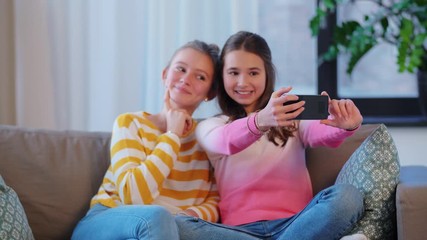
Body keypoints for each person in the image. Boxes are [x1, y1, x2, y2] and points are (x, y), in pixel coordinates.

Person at [175, 31, 367, 240]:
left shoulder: (293, 120)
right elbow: (225, 141)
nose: (243, 82)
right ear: (222, 77)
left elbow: (319, 132)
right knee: (179, 224)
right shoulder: (211, 125)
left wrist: (344, 126)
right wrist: (260, 121)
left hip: (297, 224)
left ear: (267, 75)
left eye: (253, 73)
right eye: (233, 72)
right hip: (239, 233)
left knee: (348, 197)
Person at [71, 40, 221, 240]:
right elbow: (133, 197)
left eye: (200, 76)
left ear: (210, 93)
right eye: (180, 69)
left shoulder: (207, 137)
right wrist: (172, 136)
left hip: (169, 230)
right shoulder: (130, 123)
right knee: (157, 217)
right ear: (165, 74)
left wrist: (185, 217)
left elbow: (214, 202)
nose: (186, 79)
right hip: (107, 221)